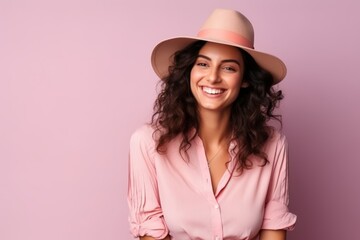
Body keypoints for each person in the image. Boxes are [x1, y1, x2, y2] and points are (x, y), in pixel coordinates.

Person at [127, 8, 297, 240]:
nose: (213, 77)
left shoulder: (273, 145)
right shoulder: (148, 144)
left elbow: (274, 228)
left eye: (228, 67)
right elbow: (149, 228)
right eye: (203, 64)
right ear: (189, 72)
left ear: (246, 79)